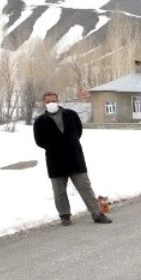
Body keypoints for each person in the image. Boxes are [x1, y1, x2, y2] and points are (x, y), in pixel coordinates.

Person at [32, 92, 111, 226]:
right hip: (55, 161)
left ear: (58, 100)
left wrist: (70, 143)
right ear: (44, 103)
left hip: (75, 158)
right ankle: (65, 216)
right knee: (59, 191)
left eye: (53, 101)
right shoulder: (40, 122)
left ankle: (97, 214)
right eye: (48, 102)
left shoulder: (71, 115)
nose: (51, 104)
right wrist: (53, 147)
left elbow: (78, 132)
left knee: (85, 187)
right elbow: (39, 141)